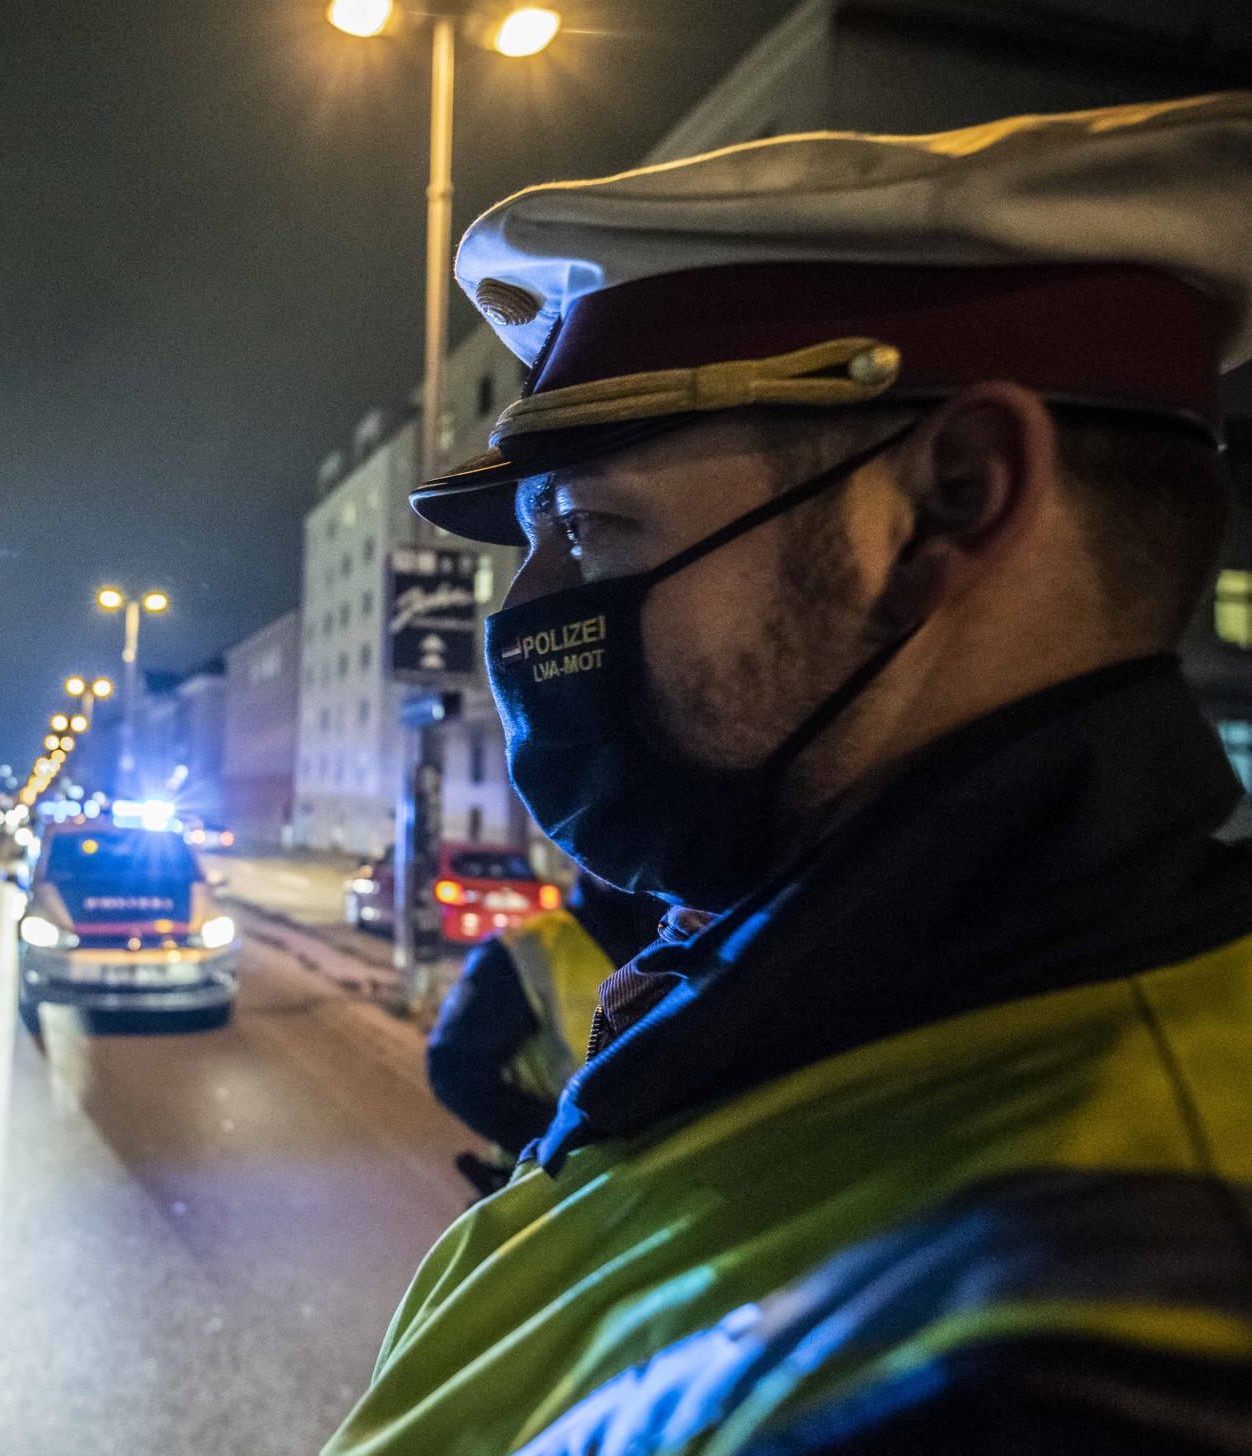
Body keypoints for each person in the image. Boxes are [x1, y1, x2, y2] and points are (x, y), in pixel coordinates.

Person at [323, 95, 1252, 1456]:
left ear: (951, 499)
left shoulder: (1076, 1353)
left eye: (592, 526)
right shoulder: (824, 1005)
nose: (527, 611)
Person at [427, 876, 663, 1172]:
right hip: (552, 1195)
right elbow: (453, 1068)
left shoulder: (698, 944)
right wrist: (565, 1141)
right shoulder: (524, 950)